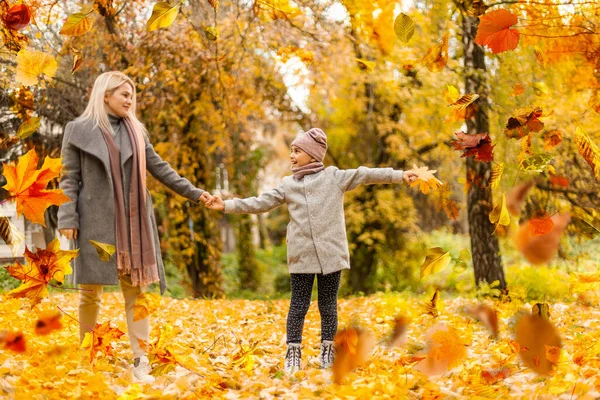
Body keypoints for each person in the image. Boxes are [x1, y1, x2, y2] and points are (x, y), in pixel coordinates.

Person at [206, 128, 417, 374]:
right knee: (298, 305)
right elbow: (260, 203)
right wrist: (226, 205)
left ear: (313, 154)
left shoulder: (334, 178)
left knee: (328, 305)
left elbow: (365, 174)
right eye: (292, 151)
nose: (292, 156)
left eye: (297, 151)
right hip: (301, 254)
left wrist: (400, 175)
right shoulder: (288, 184)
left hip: (331, 253)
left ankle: (327, 351)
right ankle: (293, 353)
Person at [57, 71, 212, 382]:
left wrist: (196, 194)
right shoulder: (78, 130)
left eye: (131, 95)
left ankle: (140, 358)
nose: (129, 100)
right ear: (105, 95)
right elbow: (68, 179)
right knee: (90, 293)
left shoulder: (137, 132)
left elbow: (162, 170)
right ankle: (88, 354)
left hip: (132, 225)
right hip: (95, 223)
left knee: (136, 293)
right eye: (123, 94)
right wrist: (67, 218)